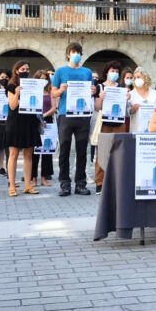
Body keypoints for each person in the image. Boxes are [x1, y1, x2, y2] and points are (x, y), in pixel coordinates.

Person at [51, 42, 97, 196]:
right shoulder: (60, 71)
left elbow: (91, 91)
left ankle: (80, 183)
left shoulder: (87, 72)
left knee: (82, 150)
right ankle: (64, 183)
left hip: (83, 114)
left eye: (79, 52)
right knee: (64, 149)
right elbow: (53, 93)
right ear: (68, 54)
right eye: (73, 52)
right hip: (65, 114)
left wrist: (93, 90)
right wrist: (61, 90)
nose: (76, 54)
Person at [5, 61, 41, 197]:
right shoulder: (11, 85)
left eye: (27, 68)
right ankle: (12, 186)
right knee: (13, 154)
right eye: (22, 69)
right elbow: (12, 106)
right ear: (16, 70)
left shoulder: (32, 84)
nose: (25, 70)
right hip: (15, 122)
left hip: (29, 121)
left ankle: (27, 185)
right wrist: (17, 94)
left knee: (28, 155)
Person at [93, 61, 129, 195]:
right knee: (101, 153)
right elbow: (96, 107)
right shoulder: (99, 87)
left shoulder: (121, 87)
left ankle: (117, 181)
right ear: (107, 72)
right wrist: (100, 98)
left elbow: (124, 108)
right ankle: (99, 182)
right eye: (112, 71)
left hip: (119, 123)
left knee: (118, 153)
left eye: (116, 71)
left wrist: (127, 99)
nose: (114, 73)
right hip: (104, 124)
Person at [30, 69, 55, 188]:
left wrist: (43, 116)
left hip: (47, 122)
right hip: (34, 122)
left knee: (46, 150)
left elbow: (53, 108)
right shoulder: (32, 92)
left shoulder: (50, 92)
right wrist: (37, 117)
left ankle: (44, 177)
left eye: (45, 78)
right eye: (40, 78)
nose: (43, 80)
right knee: (34, 151)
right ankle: (33, 177)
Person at [128, 66, 156, 132]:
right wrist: (132, 110)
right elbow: (126, 112)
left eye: (139, 77)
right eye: (135, 78)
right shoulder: (131, 94)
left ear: (145, 78)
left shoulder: (154, 93)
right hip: (136, 129)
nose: (137, 79)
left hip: (152, 130)